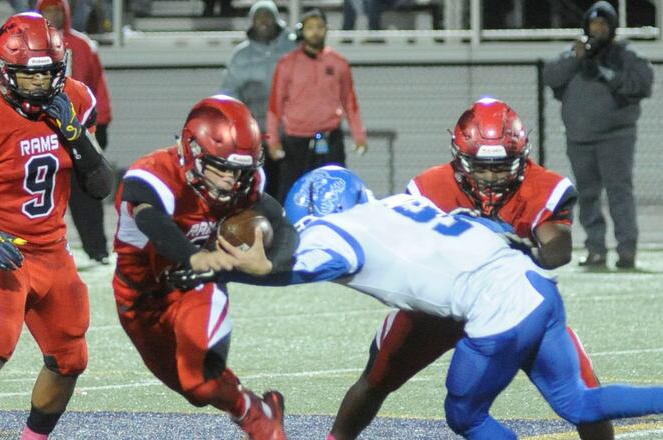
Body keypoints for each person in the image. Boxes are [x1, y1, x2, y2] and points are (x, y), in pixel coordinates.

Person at [224, 165, 663, 440]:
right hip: (535, 286)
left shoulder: (335, 228)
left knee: (464, 416)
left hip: (495, 314)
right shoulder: (398, 204)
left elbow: (299, 268)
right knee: (578, 403)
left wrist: (232, 269)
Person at [328, 98, 615, 439]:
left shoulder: (543, 186)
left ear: (522, 157)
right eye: (480, 167)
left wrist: (526, 252)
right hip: (442, 307)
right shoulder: (428, 188)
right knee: (377, 377)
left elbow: (559, 246)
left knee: (582, 392)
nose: (491, 177)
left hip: (515, 308)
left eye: (502, 166)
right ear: (460, 157)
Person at [0, 13, 113, 440]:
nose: (40, 84)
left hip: (52, 247)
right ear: (3, 69)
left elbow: (101, 185)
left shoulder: (74, 99)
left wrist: (75, 133)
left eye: (49, 73)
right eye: (28, 76)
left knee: (71, 357)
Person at [111, 95, 298, 439]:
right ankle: (260, 410)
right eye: (221, 167)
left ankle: (259, 421)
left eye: (239, 170)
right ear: (191, 149)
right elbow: (151, 219)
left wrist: (269, 264)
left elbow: (284, 227)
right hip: (138, 296)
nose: (231, 180)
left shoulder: (245, 183)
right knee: (192, 392)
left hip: (196, 286)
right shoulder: (154, 174)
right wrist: (192, 255)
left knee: (199, 383)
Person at [543, 1, 653, 270]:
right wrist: (576, 59)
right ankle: (595, 250)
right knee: (588, 196)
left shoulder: (625, 55)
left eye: (603, 24)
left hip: (615, 137)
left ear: (612, 27)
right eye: (594, 24)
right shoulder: (576, 53)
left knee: (619, 193)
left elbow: (641, 83)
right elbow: (551, 76)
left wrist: (604, 73)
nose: (598, 29)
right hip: (580, 138)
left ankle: (627, 251)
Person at [38, 0, 114, 264]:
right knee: (41, 191)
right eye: (47, 11)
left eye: (56, 10)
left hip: (78, 127)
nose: (52, 16)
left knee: (87, 190)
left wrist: (101, 122)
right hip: (40, 129)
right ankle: (40, 250)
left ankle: (97, 249)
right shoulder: (30, 45)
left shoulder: (82, 45)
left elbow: (98, 86)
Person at [267, 8, 367, 204]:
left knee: (337, 189)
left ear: (326, 30)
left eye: (319, 27)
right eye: (310, 27)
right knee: (289, 192)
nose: (315, 32)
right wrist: (273, 140)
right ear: (302, 30)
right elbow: (275, 105)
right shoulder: (287, 63)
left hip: (330, 137)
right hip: (296, 139)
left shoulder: (339, 63)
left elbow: (349, 101)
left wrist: (359, 135)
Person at [220, 0, 296, 199]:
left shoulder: (293, 46)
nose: (263, 21)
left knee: (292, 180)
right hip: (258, 132)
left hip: (293, 131)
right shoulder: (241, 55)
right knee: (263, 183)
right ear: (252, 21)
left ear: (277, 19)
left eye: (268, 16)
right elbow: (229, 91)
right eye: (259, 17)